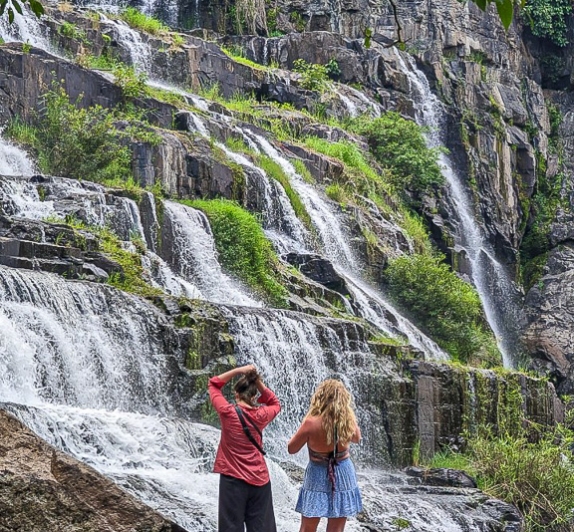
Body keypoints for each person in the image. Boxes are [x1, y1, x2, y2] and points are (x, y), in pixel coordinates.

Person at [208, 363, 281, 532]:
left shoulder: (227, 412)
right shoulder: (261, 415)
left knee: (231, 528)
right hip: (260, 479)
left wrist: (240, 371)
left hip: (233, 480)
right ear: (254, 397)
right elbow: (275, 403)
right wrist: (257, 381)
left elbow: (213, 384)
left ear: (236, 394)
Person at [287, 379, 362, 532]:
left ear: (319, 397)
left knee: (308, 527)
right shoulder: (348, 421)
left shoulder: (310, 422)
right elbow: (357, 438)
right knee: (336, 529)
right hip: (343, 471)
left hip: (317, 473)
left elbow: (291, 449)